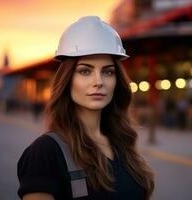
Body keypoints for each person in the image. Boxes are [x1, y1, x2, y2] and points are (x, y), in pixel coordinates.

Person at [17, 16, 154, 200]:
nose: (98, 82)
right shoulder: (45, 152)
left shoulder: (122, 145)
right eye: (85, 71)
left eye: (107, 72)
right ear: (68, 80)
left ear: (116, 81)